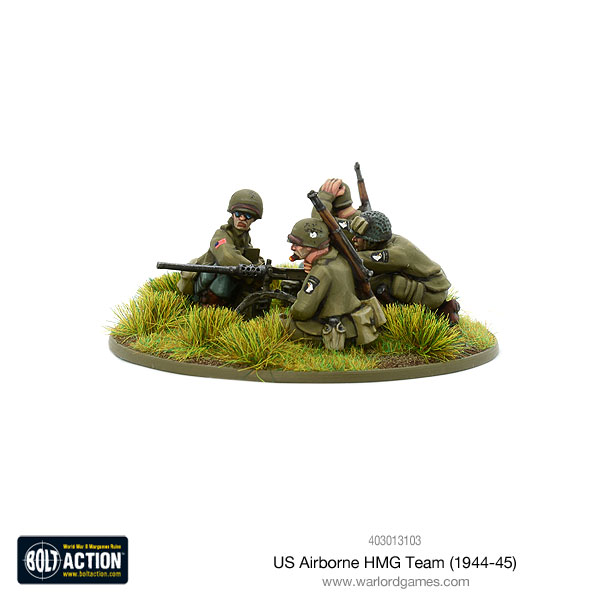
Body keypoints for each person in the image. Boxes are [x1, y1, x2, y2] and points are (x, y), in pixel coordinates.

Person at [281, 218, 381, 349]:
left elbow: (301, 311)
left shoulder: (321, 270)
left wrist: (293, 307)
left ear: (311, 245)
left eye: (296, 243)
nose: (292, 247)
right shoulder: (340, 259)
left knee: (282, 323)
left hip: (336, 332)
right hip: (353, 324)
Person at [349, 211, 460, 325]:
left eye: (359, 237)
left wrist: (344, 255)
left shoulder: (397, 253)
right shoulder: (385, 240)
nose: (354, 239)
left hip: (432, 292)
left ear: (371, 241)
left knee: (375, 282)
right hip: (429, 283)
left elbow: (364, 259)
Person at [176, 189, 263, 306]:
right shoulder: (221, 234)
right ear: (232, 214)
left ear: (254, 219)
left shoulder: (244, 239)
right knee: (225, 272)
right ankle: (207, 307)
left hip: (225, 293)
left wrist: (260, 266)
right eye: (238, 214)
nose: (242, 219)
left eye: (247, 216)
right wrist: (253, 271)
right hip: (203, 287)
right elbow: (227, 257)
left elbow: (251, 256)